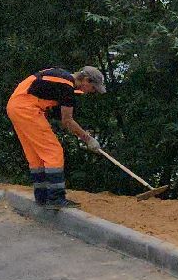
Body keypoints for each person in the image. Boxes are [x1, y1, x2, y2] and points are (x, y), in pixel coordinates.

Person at [6, 65, 105, 208]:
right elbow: (67, 120)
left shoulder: (62, 79)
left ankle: (42, 197)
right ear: (86, 80)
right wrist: (88, 139)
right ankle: (55, 199)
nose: (92, 91)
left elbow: (61, 117)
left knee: (36, 156)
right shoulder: (66, 85)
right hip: (28, 109)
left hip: (16, 106)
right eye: (93, 88)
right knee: (53, 152)